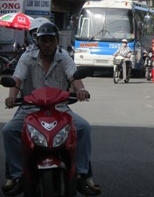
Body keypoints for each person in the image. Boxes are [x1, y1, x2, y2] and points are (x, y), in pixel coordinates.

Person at [1, 22, 101, 196]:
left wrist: (81, 91)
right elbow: (17, 79)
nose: (47, 44)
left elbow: (74, 77)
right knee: (9, 130)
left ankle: (84, 175)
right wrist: (12, 96)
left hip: (60, 109)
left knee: (84, 128)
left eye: (51, 40)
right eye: (43, 40)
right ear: (37, 41)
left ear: (56, 41)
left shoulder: (64, 58)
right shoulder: (27, 57)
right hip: (30, 109)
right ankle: (16, 175)